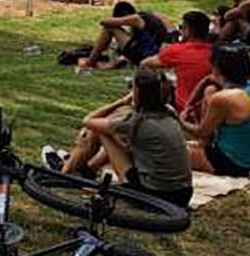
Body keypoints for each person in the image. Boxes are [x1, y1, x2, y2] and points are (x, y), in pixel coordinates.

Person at [45, 69, 193, 208]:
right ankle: (85, 170)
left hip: (156, 195)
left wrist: (122, 101)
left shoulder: (136, 123)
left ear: (137, 92)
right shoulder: (169, 111)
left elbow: (88, 120)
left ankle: (64, 173)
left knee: (100, 131)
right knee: (113, 135)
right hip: (183, 193)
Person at [182, 44, 250, 177]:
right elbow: (207, 80)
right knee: (209, 89)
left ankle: (207, 153)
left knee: (173, 153)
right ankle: (205, 148)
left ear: (217, 68)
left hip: (237, 164)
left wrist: (181, 119)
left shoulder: (222, 99)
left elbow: (201, 131)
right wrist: (189, 104)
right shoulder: (246, 87)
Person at [141, 10, 214, 115]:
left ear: (188, 30)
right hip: (210, 109)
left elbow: (145, 63)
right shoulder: (216, 51)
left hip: (184, 109)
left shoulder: (178, 50)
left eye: (182, 27)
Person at [77, 2, 170, 71]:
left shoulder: (136, 19)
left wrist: (118, 20)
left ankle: (90, 61)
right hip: (158, 54)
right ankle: (115, 62)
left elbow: (105, 22)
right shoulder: (153, 16)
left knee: (109, 28)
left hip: (145, 55)